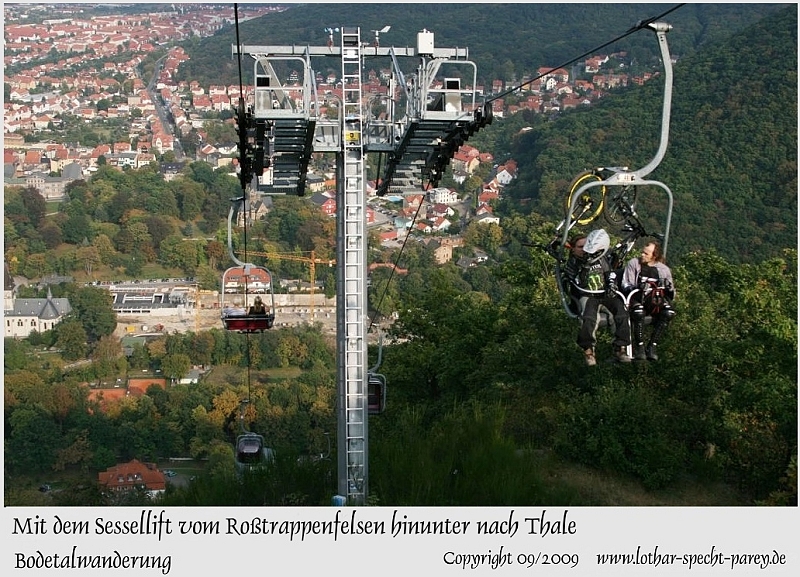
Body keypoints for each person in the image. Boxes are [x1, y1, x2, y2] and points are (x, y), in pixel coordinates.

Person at [563, 229, 632, 366]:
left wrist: (611, 285)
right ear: (573, 249)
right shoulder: (573, 263)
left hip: (604, 294)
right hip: (588, 295)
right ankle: (589, 351)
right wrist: (584, 265)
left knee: (620, 313)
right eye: (580, 247)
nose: (584, 250)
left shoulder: (600, 258)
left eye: (586, 246)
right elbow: (574, 280)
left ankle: (620, 348)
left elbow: (609, 273)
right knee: (589, 317)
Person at [622, 241, 676, 361]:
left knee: (669, 313)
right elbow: (626, 284)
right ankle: (639, 346)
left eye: (646, 253)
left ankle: (652, 345)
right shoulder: (634, 264)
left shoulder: (664, 270)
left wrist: (668, 288)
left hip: (656, 300)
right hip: (638, 298)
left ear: (654, 255)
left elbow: (672, 292)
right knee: (638, 312)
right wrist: (637, 287)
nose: (642, 255)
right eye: (642, 252)